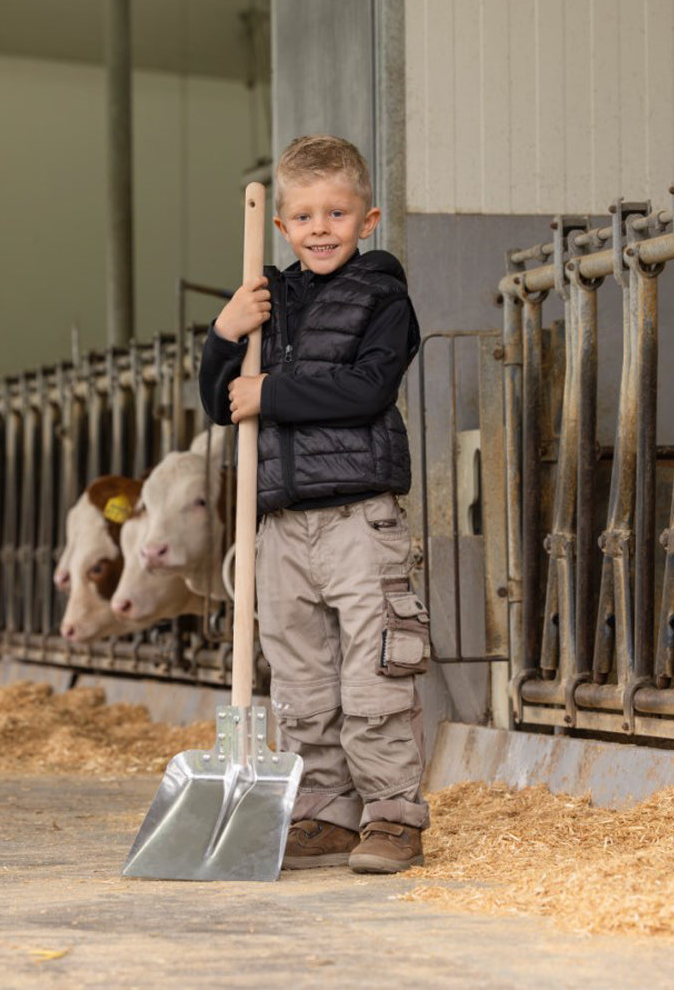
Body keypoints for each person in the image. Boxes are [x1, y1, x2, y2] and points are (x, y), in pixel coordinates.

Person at [199, 134, 429, 874]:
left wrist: (274, 392)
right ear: (282, 227)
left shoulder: (383, 296)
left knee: (375, 671)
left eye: (338, 212)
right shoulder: (263, 298)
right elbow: (220, 404)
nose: (320, 228)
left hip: (361, 518)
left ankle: (392, 815)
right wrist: (224, 336)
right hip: (279, 522)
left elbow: (369, 390)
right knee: (300, 680)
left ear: (369, 219)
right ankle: (326, 813)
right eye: (304, 216)